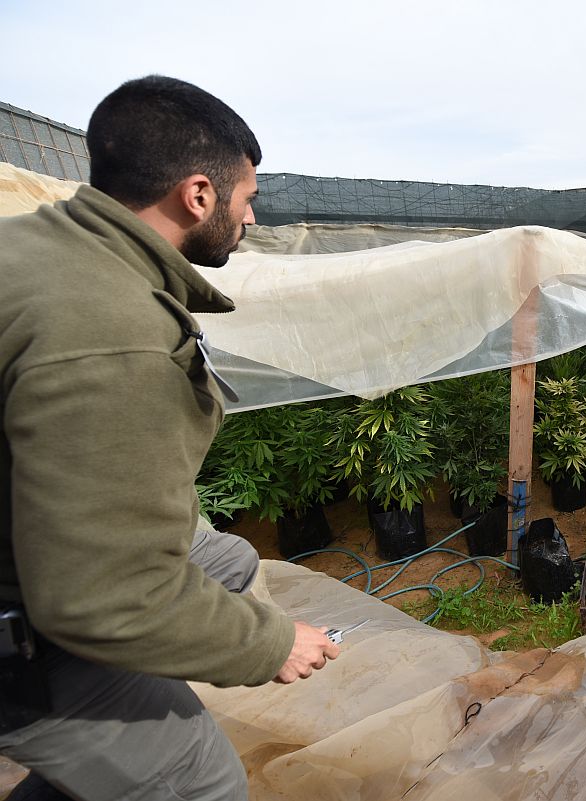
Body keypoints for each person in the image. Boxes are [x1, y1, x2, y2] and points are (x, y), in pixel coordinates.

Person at [0, 77, 338, 799]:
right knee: (199, 781)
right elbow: (103, 592)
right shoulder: (113, 334)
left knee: (228, 558)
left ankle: (104, 756)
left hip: (34, 543)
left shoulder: (38, 243)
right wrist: (270, 643)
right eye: (247, 199)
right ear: (198, 195)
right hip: (23, 644)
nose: (251, 217)